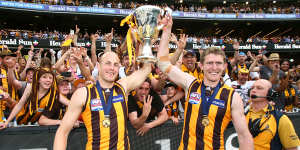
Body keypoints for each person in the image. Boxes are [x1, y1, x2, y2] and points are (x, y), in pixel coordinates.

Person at [156, 14, 253, 149]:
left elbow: (244, 136)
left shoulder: (233, 97)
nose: (214, 67)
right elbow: (162, 63)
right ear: (201, 66)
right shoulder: (190, 83)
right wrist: (166, 30)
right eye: (209, 63)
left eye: (218, 63)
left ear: (225, 66)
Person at [53, 51, 152, 150]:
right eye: (107, 63)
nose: (112, 68)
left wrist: (146, 42)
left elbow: (146, 69)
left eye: (116, 65)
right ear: (98, 66)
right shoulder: (83, 94)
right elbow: (62, 132)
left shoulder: (123, 86)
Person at [246, 79, 300, 149]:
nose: (253, 90)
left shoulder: (280, 119)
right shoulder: (241, 114)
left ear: (269, 93)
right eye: (252, 88)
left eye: (259, 88)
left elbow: (292, 148)